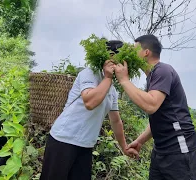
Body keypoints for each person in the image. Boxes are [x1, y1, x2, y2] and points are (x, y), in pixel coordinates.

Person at [40, 40, 138, 180]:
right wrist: (108, 77)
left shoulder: (113, 91)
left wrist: (124, 147)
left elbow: (116, 121)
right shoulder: (90, 73)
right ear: (110, 57)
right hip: (64, 140)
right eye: (121, 61)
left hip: (85, 145)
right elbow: (90, 102)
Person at [113, 34, 196, 180]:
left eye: (134, 50)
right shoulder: (153, 77)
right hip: (161, 151)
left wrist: (124, 80)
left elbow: (151, 105)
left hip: (179, 148)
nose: (130, 54)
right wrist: (140, 141)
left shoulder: (163, 70)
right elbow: (159, 118)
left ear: (146, 52)